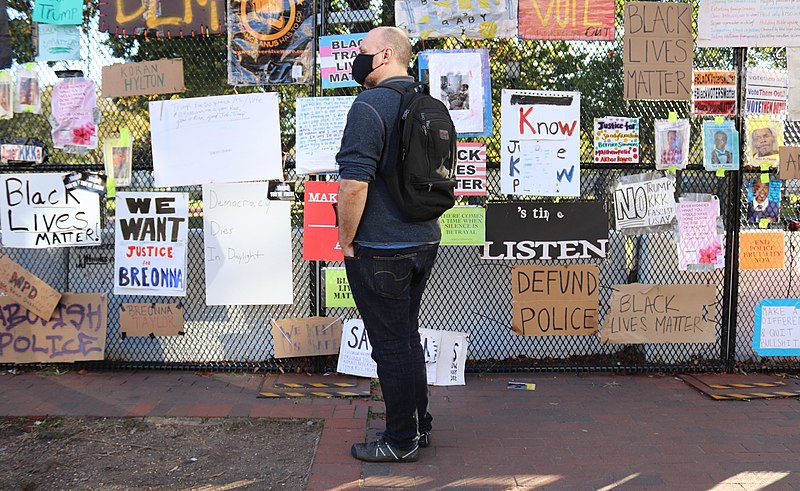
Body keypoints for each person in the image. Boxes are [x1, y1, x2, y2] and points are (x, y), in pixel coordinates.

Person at [336, 26, 439, 463]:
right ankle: (419, 425)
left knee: (391, 344)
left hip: (380, 248)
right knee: (406, 338)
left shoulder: (369, 105)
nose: (354, 60)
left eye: (360, 52)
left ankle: (399, 440)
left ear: (383, 56)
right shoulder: (431, 104)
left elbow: (355, 184)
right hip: (425, 240)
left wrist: (345, 242)